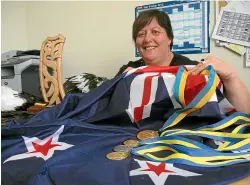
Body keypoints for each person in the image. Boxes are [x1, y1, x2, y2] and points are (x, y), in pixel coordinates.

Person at [115, 9, 250, 114]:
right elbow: (106, 109)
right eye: (140, 34)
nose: (147, 39)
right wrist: (121, 84)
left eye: (155, 32)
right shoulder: (128, 70)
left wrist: (231, 76)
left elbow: (244, 113)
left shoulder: (191, 69)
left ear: (169, 38)